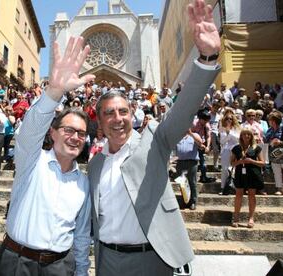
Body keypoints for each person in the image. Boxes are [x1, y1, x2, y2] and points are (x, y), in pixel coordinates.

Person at [87, 1, 221, 274]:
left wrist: (207, 59)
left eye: (123, 111)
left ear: (132, 113)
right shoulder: (95, 165)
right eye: (109, 113)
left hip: (154, 259)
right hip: (107, 261)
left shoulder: (153, 140)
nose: (117, 118)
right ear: (99, 122)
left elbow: (183, 111)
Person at [0, 36, 94, 276]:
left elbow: (81, 234)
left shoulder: (82, 183)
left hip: (60, 267)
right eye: (68, 130)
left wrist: (81, 271)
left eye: (81, 133)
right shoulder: (32, 159)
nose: (75, 137)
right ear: (52, 132)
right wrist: (54, 92)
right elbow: (29, 130)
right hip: (16, 263)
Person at [231, 128, 265, 228]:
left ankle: (251, 218)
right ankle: (236, 218)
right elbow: (232, 163)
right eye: (244, 134)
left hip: (253, 173)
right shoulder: (236, 148)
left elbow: (262, 163)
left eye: (248, 134)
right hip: (240, 173)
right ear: (241, 136)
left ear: (251, 136)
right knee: (238, 195)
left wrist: (251, 161)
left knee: (252, 195)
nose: (246, 136)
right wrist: (240, 162)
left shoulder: (256, 148)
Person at [176, 129, 203, 210]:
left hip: (192, 162)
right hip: (180, 162)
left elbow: (200, 143)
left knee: (192, 182)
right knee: (182, 183)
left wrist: (191, 134)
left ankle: (193, 202)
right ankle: (185, 201)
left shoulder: (195, 135)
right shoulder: (177, 136)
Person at [218, 110, 240, 194]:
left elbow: (238, 139)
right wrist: (228, 134)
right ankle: (223, 187)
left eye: (230, 119)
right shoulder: (222, 129)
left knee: (236, 169)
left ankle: (235, 186)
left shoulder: (237, 128)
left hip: (236, 149)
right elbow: (222, 141)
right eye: (227, 119)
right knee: (225, 169)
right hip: (226, 150)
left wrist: (229, 133)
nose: (229, 120)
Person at [265, 112, 283, 195]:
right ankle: (279, 189)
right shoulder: (269, 130)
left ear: (274, 120)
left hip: (282, 152)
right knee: (276, 171)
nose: (269, 121)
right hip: (273, 154)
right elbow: (266, 140)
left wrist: (280, 142)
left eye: (270, 119)